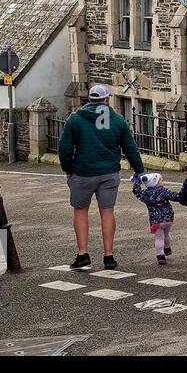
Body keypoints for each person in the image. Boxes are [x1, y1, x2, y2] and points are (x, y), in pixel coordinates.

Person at [58, 84, 145, 270]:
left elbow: (65, 148)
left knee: (80, 211)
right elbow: (130, 147)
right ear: (106, 100)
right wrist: (139, 169)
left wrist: (68, 170)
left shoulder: (75, 119)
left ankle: (83, 254)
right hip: (109, 173)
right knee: (107, 211)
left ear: (89, 99)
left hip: (83, 173)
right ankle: (108, 256)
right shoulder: (117, 120)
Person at [131, 172, 180, 265]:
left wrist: (137, 182)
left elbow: (136, 192)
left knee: (159, 238)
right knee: (167, 234)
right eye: (161, 180)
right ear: (155, 182)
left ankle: (160, 255)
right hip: (168, 218)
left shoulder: (145, 194)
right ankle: (167, 248)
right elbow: (174, 196)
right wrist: (183, 196)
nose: (163, 182)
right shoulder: (163, 191)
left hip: (155, 220)